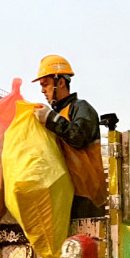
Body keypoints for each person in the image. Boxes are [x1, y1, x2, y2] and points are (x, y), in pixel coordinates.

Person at [32, 55, 108, 219]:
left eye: (45, 84)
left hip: (87, 198)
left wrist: (51, 118)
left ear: (60, 82)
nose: (42, 90)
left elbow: (77, 137)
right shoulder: (56, 115)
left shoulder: (81, 108)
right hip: (66, 196)